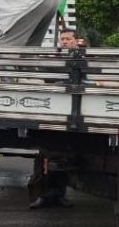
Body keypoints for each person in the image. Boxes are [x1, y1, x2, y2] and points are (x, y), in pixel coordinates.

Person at [28, 29, 82, 209]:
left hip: (72, 114)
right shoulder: (55, 59)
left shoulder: (83, 59)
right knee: (45, 156)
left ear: (77, 40)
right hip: (53, 112)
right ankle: (43, 196)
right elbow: (45, 77)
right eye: (62, 39)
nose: (65, 42)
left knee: (64, 157)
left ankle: (59, 195)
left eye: (68, 39)